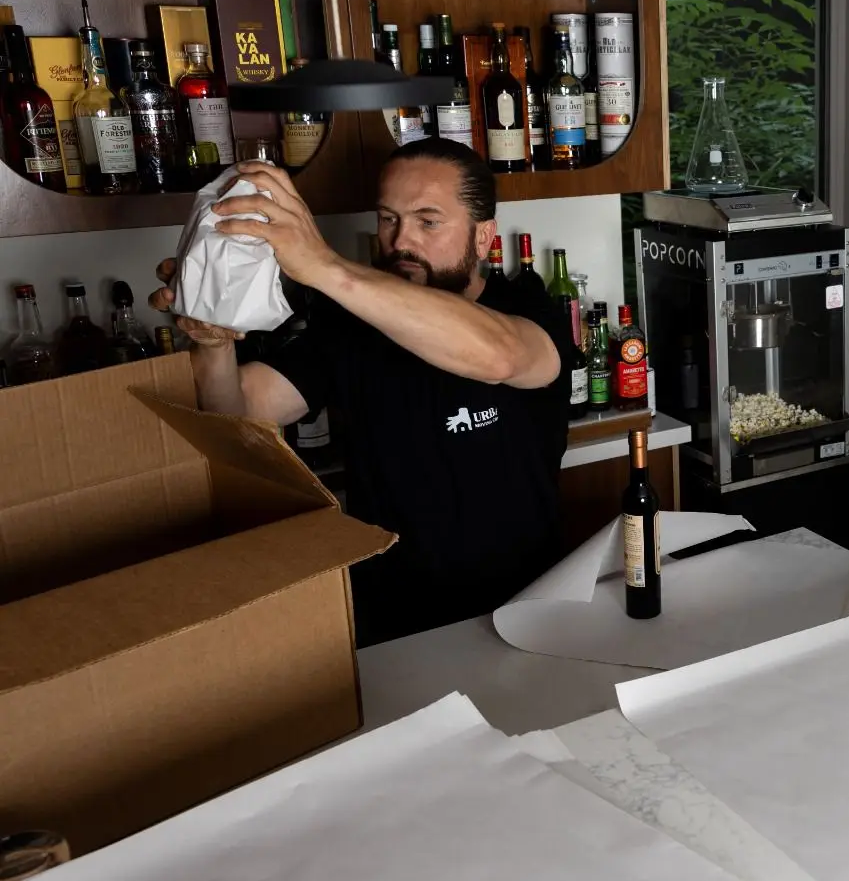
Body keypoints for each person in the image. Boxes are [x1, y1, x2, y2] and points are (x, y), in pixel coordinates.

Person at [151, 138, 580, 646]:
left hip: (527, 607)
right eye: (388, 218)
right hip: (393, 617)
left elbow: (500, 356)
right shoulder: (351, 323)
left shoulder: (531, 309)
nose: (401, 241)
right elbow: (241, 414)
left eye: (428, 221)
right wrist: (213, 341)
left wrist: (322, 266)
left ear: (483, 236)